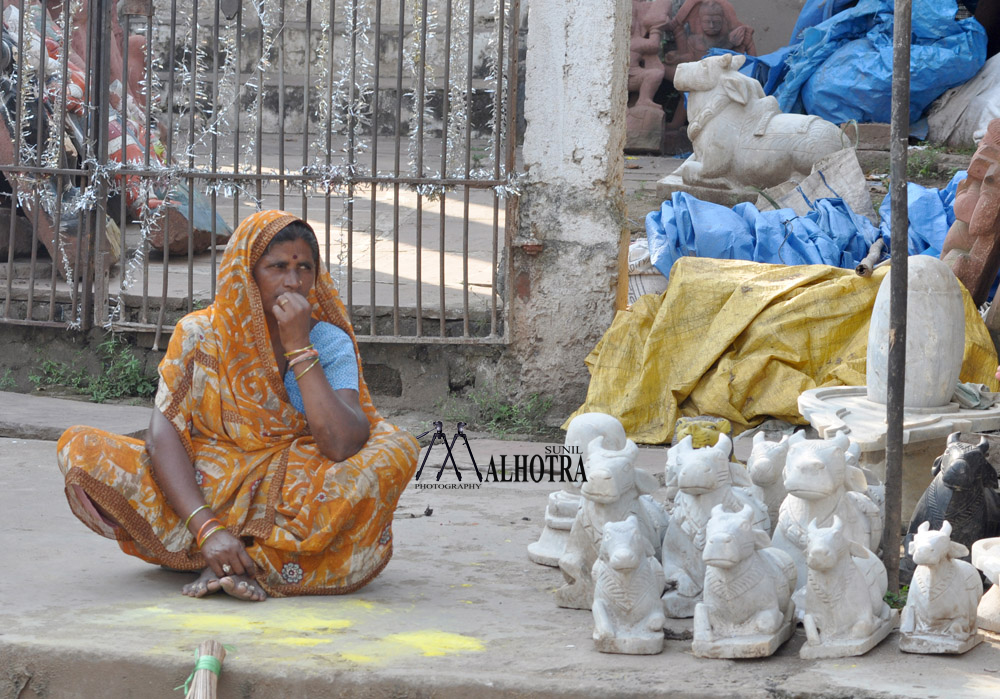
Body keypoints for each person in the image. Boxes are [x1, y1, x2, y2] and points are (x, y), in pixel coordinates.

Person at [56, 210, 419, 601]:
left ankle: (255, 564)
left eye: (305, 268)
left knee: (394, 451)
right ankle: (212, 546)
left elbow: (342, 445)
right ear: (247, 271)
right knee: (80, 447)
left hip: (295, 486)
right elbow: (163, 437)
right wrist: (206, 526)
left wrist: (299, 347)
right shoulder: (200, 334)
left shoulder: (328, 340)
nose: (293, 282)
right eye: (278, 267)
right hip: (209, 484)